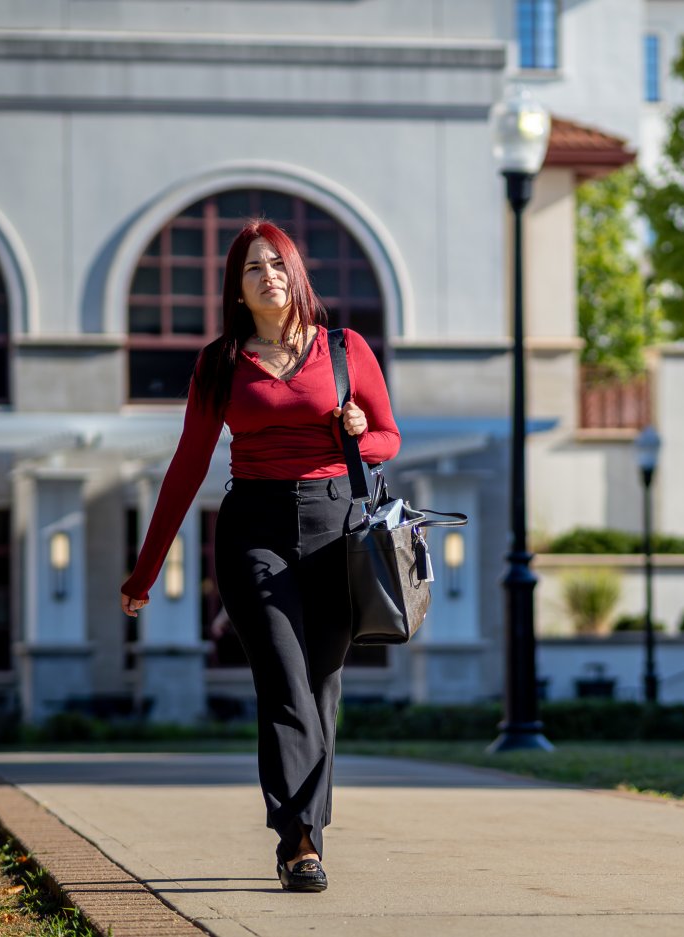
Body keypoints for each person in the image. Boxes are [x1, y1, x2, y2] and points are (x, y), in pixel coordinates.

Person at [120, 220, 400, 893]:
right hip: (253, 528)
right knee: (281, 677)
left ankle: (308, 827)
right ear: (238, 291)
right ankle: (298, 838)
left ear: (296, 272)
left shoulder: (345, 349)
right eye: (252, 269)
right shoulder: (220, 361)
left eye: (277, 262)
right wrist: (145, 569)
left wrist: (361, 431)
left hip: (335, 525)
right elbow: (188, 465)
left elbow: (389, 436)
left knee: (321, 684)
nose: (268, 275)